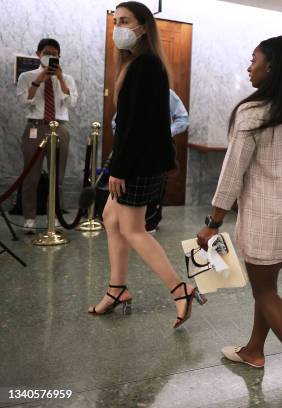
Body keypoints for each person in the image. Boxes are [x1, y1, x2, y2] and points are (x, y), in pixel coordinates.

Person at [196, 36, 282, 401]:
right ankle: (254, 351)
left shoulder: (252, 112)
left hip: (261, 218)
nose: (249, 66)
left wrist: (212, 222)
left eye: (253, 59)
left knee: (266, 293)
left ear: (271, 66)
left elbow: (232, 173)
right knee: (268, 288)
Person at [88, 1, 203, 329]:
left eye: (125, 21)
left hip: (136, 164)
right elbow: (131, 122)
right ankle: (117, 288)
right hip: (133, 159)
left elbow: (137, 124)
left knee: (133, 229)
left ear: (143, 26)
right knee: (111, 218)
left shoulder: (146, 65)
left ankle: (180, 289)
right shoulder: (137, 64)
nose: (119, 27)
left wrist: (119, 168)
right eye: (116, 21)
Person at [16, 38, 78, 233]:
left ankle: (56, 215)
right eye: (46, 52)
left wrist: (59, 78)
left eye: (54, 53)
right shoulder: (26, 76)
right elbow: (24, 103)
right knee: (31, 175)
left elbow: (71, 104)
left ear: (59, 56)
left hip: (59, 127)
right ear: (38, 54)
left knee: (58, 176)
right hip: (35, 127)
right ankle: (29, 218)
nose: (50, 56)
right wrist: (38, 81)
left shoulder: (67, 79)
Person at [111, 88, 189, 231]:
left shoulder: (166, 93)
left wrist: (163, 134)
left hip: (157, 152)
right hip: (130, 152)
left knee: (151, 201)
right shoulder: (131, 91)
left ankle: (150, 223)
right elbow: (115, 123)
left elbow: (183, 119)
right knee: (113, 215)